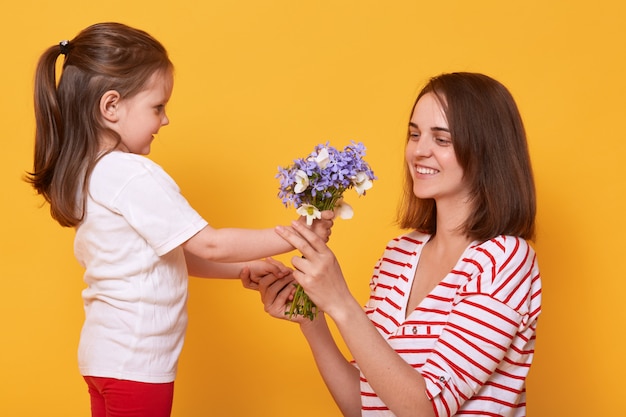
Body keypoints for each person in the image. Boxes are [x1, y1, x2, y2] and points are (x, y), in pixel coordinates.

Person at [26, 22, 333, 417]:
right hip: (137, 366)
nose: (166, 119)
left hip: (104, 360)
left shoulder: (92, 174)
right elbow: (210, 242)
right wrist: (298, 234)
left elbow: (168, 254)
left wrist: (241, 269)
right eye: (158, 107)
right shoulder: (133, 174)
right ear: (111, 107)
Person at [244, 72, 542, 416]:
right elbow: (365, 407)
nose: (419, 151)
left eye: (441, 139)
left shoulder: (503, 260)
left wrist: (340, 301)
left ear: (486, 151)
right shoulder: (398, 255)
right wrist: (311, 317)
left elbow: (426, 409)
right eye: (414, 135)